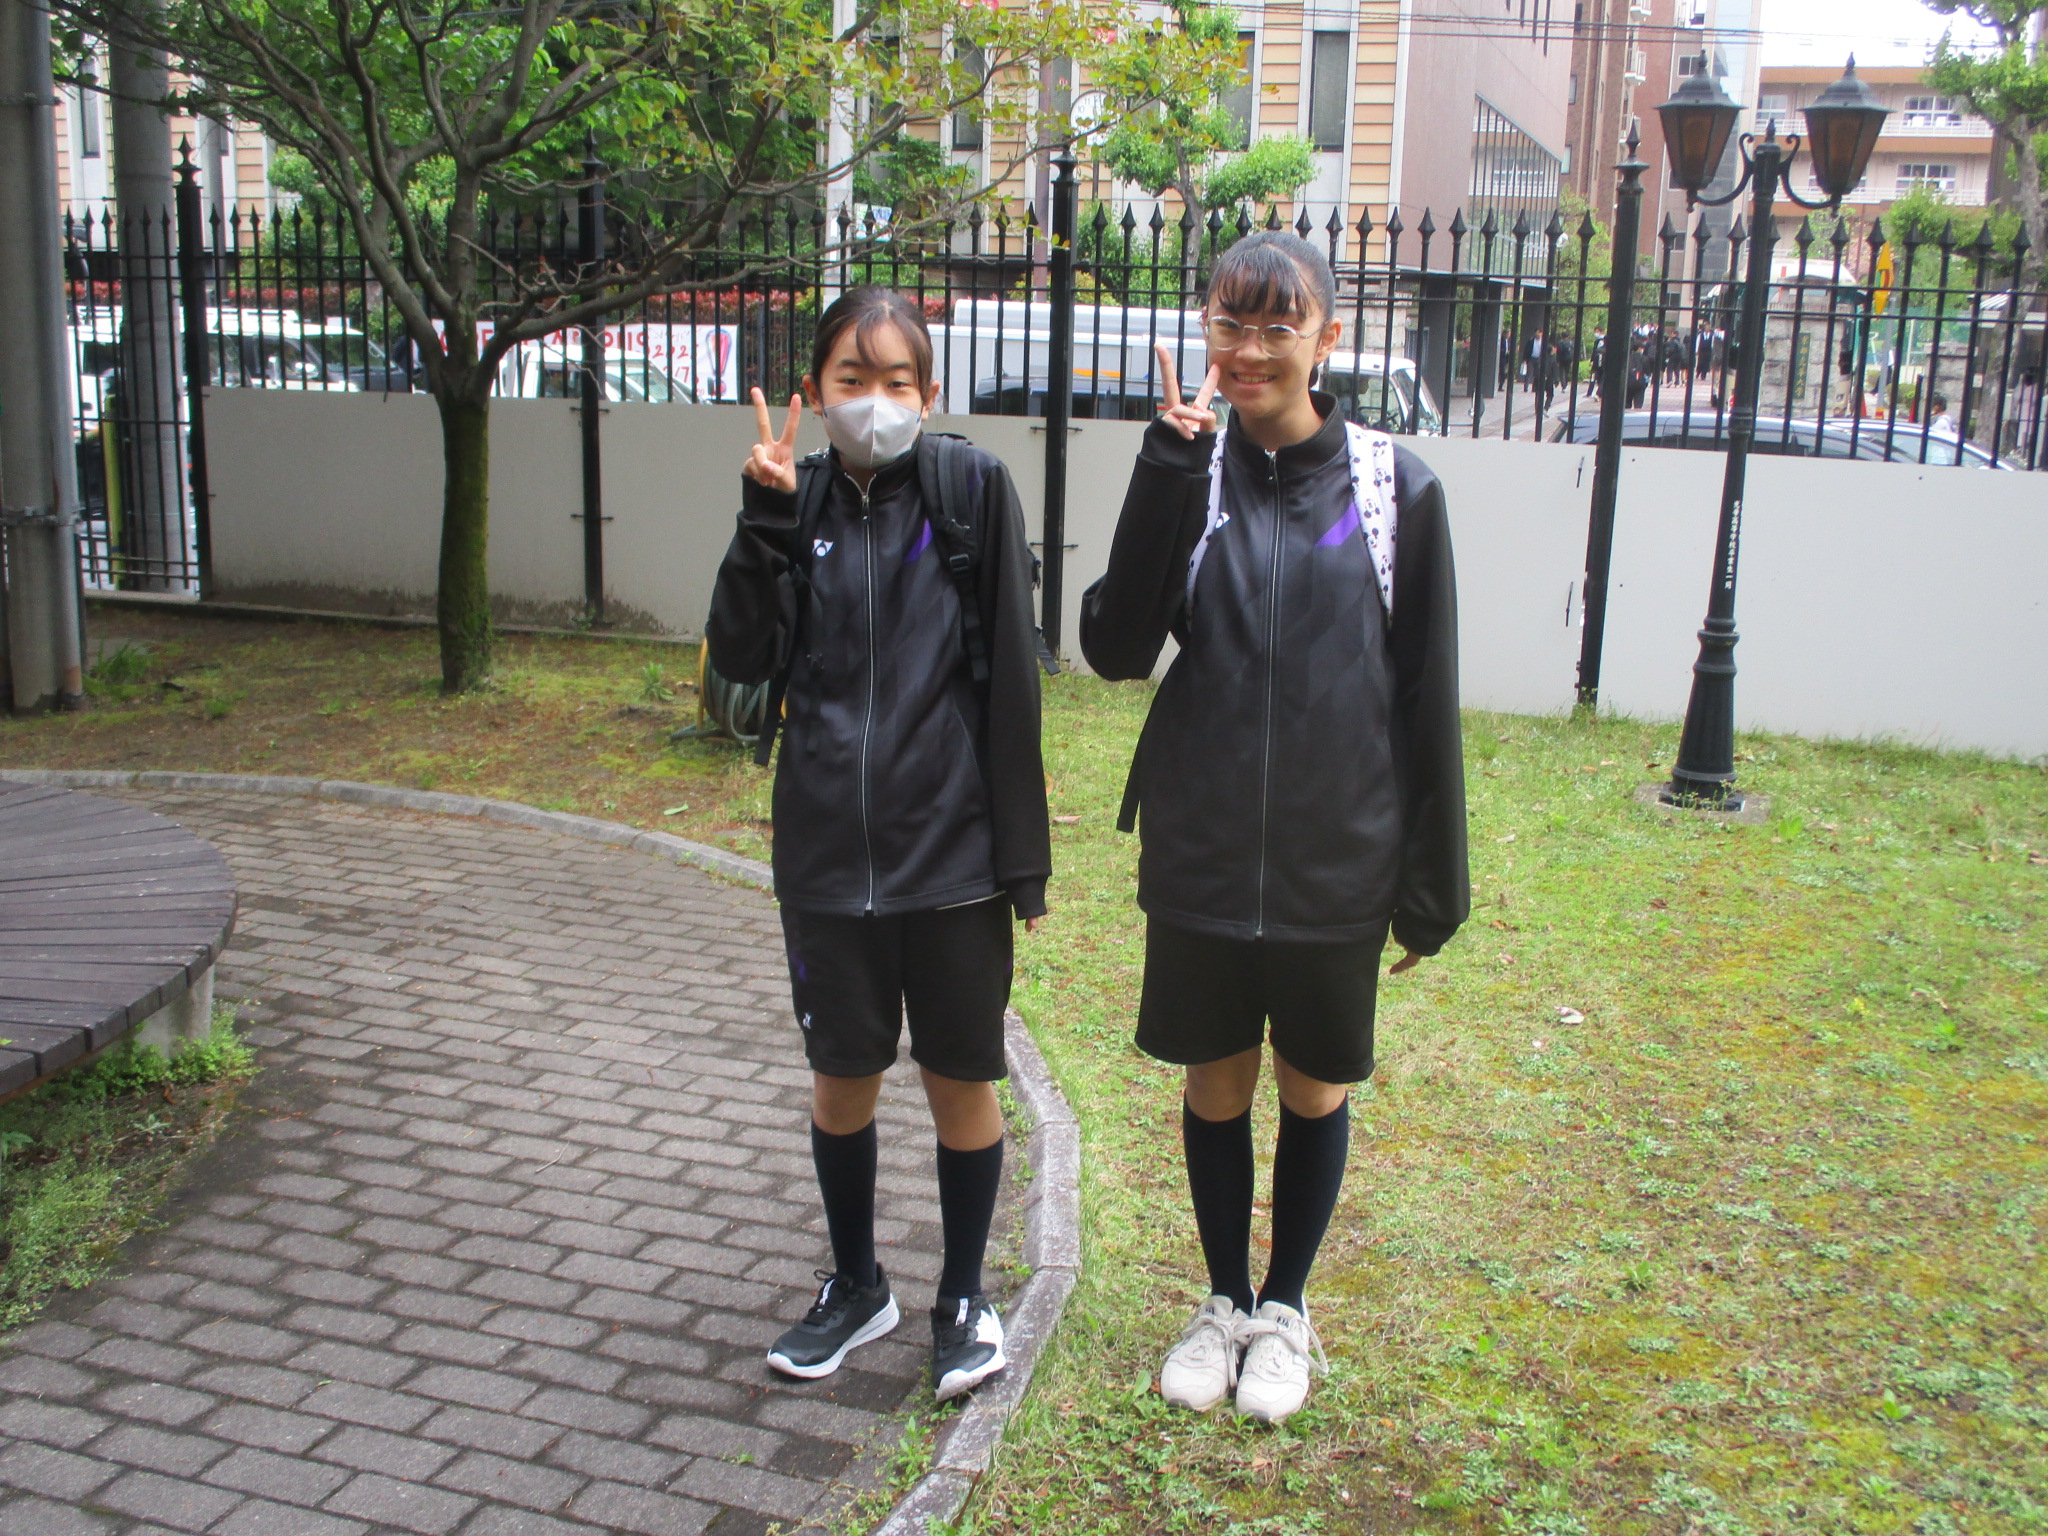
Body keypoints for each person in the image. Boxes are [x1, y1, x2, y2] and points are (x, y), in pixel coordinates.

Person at [1080, 233, 1469, 1425]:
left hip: (1333, 855)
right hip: (1201, 849)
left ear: (1325, 337)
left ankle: (1285, 1309)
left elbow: (1424, 693)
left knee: (1311, 1087)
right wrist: (1162, 464)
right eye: (1229, 323)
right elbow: (1113, 646)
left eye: (1275, 326)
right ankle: (1220, 1302)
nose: (1247, 350)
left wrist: (1430, 885)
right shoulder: (1190, 470)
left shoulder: (1391, 489)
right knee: (1214, 1082)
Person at [707, 287, 1051, 1402]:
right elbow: (739, 660)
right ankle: (857, 1286)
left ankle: (961, 1297)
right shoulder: (795, 498)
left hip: (950, 858)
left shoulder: (968, 492)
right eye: (850, 381)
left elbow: (1012, 681)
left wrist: (1022, 863)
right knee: (840, 1079)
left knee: (961, 1079)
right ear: (814, 393)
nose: (873, 402)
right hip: (824, 859)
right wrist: (761, 519)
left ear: (929, 394)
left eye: (897, 381)